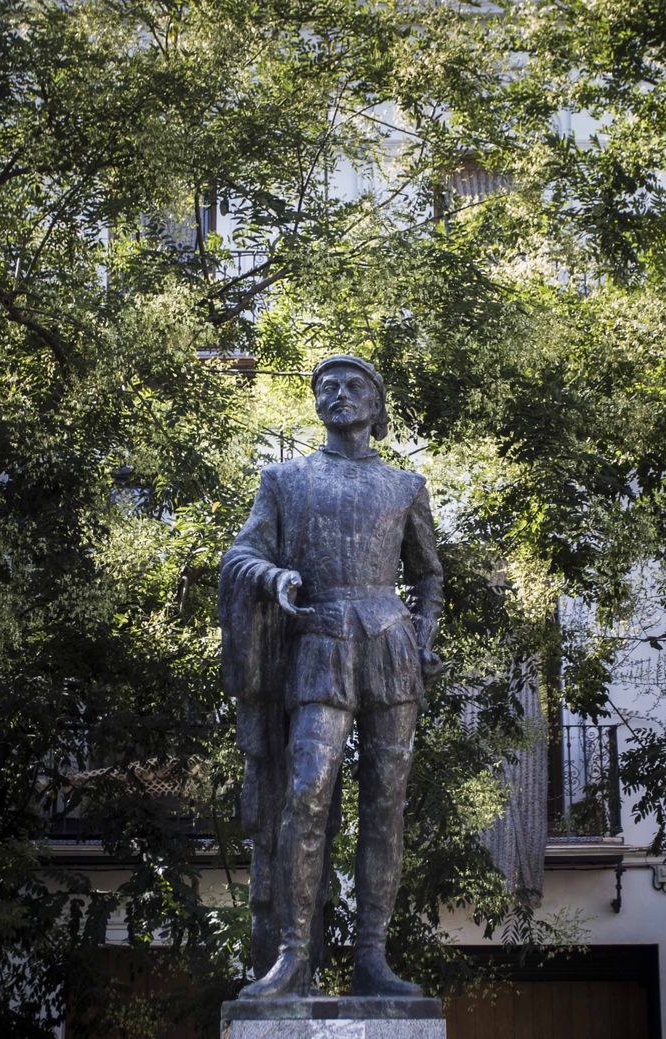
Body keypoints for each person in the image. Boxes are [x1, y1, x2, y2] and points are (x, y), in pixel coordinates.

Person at [219, 354, 443, 1000]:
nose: (338, 395)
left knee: (385, 806)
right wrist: (274, 575)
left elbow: (428, 576)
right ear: (317, 403)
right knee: (306, 790)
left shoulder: (406, 486)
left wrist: (424, 634)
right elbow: (243, 553)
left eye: (352, 387)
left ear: (376, 403)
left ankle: (371, 956)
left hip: (391, 651)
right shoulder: (284, 480)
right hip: (318, 647)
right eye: (327, 387)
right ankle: (292, 955)